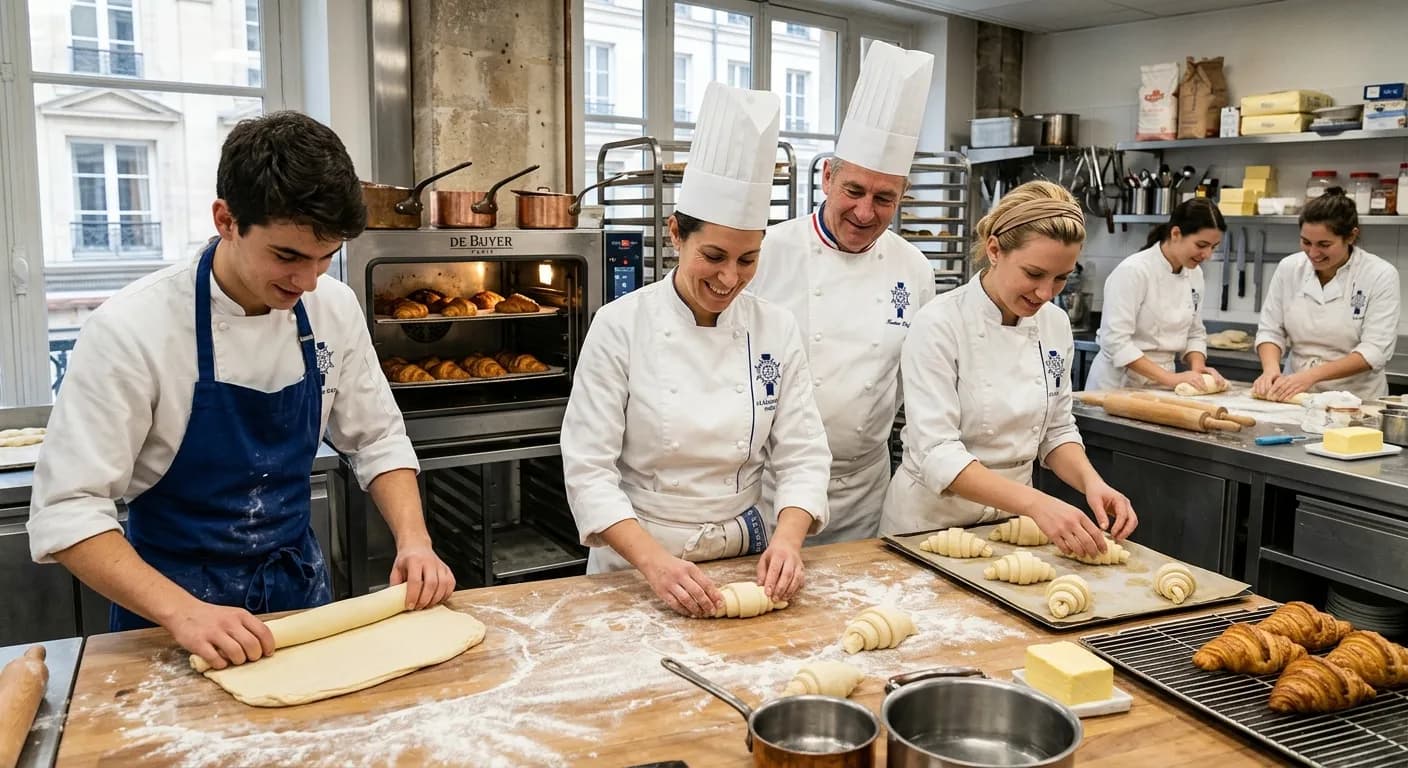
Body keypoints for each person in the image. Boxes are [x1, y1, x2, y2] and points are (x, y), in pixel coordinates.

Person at [28, 111, 453, 668]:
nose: (308, 281)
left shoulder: (332, 307)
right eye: (287, 256)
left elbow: (377, 438)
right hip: (170, 612)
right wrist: (184, 613)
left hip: (298, 599)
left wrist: (415, 540)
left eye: (326, 257)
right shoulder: (132, 329)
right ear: (226, 220)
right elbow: (68, 510)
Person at [561, 82, 831, 618]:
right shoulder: (620, 326)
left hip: (744, 557)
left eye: (748, 260)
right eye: (714, 256)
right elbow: (588, 469)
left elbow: (803, 453)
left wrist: (787, 540)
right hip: (638, 564)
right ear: (675, 235)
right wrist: (655, 564)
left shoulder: (776, 329)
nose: (730, 278)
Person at [879, 181, 1137, 557]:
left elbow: (1056, 430)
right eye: (1033, 274)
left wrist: (1091, 483)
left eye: (1061, 278)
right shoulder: (939, 323)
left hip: (1012, 528)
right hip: (930, 527)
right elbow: (937, 452)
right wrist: (1036, 503)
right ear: (995, 250)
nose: (1046, 293)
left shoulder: (1054, 324)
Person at [748, 41, 936, 545]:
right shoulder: (767, 253)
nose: (865, 212)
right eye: (854, 191)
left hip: (862, 490)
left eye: (884, 198)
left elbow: (916, 381)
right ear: (828, 178)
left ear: (902, 196)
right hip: (769, 485)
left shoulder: (914, 269)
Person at [1254, 188, 1400, 402]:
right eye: (1306, 242)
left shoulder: (1379, 274)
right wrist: (1270, 371)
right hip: (1295, 395)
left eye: (1324, 244)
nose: (1313, 253)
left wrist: (1311, 376)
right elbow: (1270, 330)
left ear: (1351, 236)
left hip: (1355, 401)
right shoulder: (1289, 268)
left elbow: (1375, 350)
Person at [1084, 198, 1227, 392]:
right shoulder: (1133, 271)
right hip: (1119, 383)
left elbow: (1194, 332)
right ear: (1175, 234)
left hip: (1164, 383)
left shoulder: (1195, 274)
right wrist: (1170, 378)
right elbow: (1115, 341)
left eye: (1214, 247)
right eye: (1201, 245)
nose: (1207, 255)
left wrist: (1198, 366)